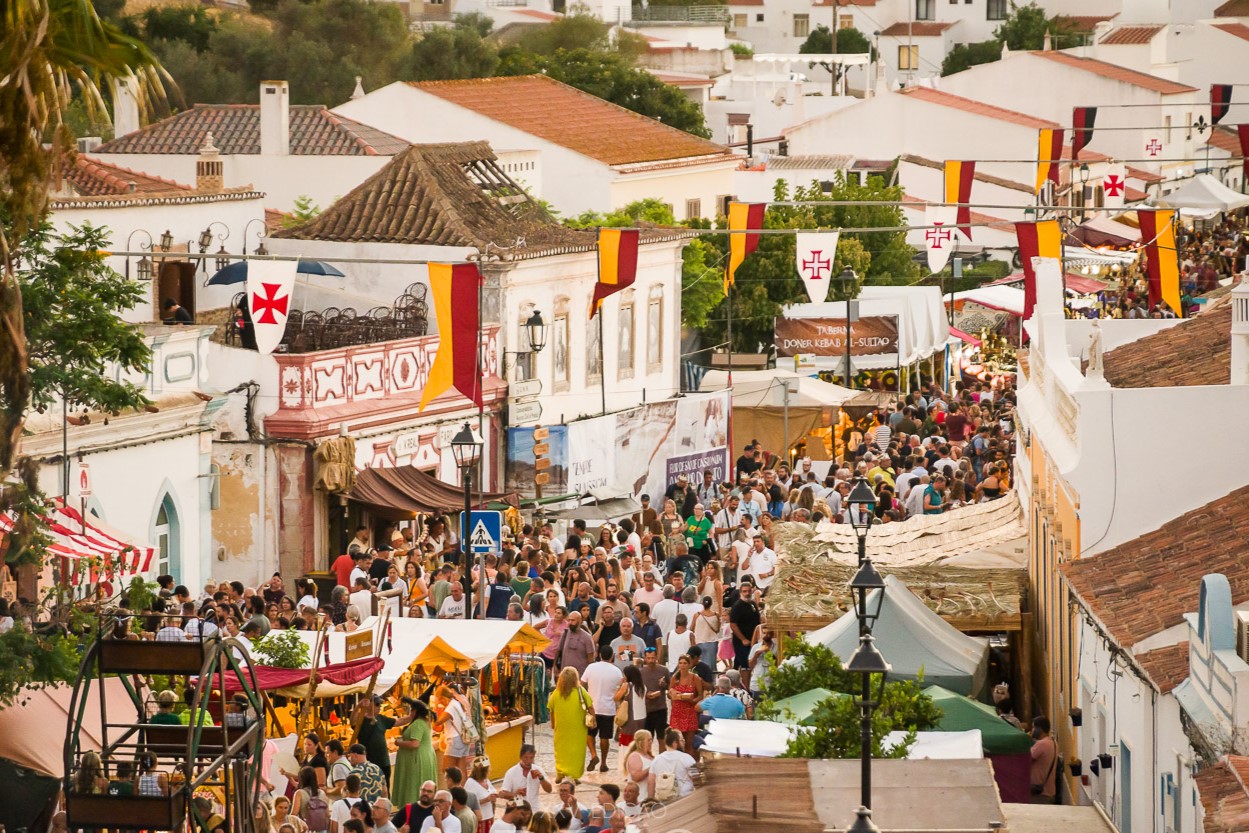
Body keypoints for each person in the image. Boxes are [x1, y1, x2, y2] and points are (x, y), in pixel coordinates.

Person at [581, 646, 623, 773]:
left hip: (591, 707)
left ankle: (594, 755)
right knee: (605, 737)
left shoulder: (591, 667)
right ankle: (603, 763)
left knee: (589, 734)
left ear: (599, 655)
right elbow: (620, 688)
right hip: (608, 709)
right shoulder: (617, 671)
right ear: (612, 656)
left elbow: (582, 684)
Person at [547, 667, 592, 782]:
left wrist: (553, 724)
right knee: (576, 753)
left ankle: (560, 773)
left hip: (561, 729)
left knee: (560, 751)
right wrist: (593, 719)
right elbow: (590, 706)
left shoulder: (556, 693)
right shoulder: (580, 691)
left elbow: (551, 709)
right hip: (578, 729)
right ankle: (574, 775)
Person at [392, 699, 437, 809]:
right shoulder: (425, 722)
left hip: (417, 759)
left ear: (415, 711)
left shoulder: (418, 724)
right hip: (424, 756)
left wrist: (398, 743)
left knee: (413, 785)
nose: (410, 712)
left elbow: (414, 743)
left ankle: (412, 809)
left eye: (411, 710)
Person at [649, 729, 696, 801]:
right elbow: (696, 778)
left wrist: (650, 800)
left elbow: (651, 782)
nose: (684, 743)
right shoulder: (687, 758)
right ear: (674, 743)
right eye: (681, 740)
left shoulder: (656, 760)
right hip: (684, 799)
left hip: (664, 801)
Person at [729, 584, 761, 686]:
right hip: (742, 643)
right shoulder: (737, 606)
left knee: (750, 664)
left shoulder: (752, 604)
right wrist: (743, 639)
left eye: (749, 591)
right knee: (746, 666)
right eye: (744, 591)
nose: (747, 593)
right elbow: (733, 624)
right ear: (740, 592)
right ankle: (746, 689)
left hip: (753, 641)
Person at [638, 647, 671, 746]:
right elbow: (638, 690)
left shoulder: (664, 670)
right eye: (648, 658)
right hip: (646, 709)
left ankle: (662, 755)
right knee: (647, 739)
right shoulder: (641, 672)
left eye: (653, 658)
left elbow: (671, 687)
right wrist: (646, 695)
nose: (651, 661)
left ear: (656, 657)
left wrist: (664, 685)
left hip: (660, 708)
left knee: (662, 738)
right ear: (645, 658)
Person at [668, 654, 703, 739]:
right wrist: (673, 694)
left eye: (685, 663)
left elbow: (700, 695)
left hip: (689, 712)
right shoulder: (675, 678)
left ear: (689, 665)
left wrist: (693, 701)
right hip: (677, 713)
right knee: (677, 740)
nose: (682, 665)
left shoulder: (695, 678)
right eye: (680, 663)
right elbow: (669, 694)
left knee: (689, 742)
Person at [613, 664, 648, 746]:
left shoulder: (627, 685)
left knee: (627, 742)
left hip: (630, 718)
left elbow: (616, 698)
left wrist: (619, 685)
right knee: (638, 741)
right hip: (641, 718)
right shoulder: (643, 686)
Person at [293, 766, 331, 833]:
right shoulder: (322, 793)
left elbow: (294, 814)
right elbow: (327, 813)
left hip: (306, 828)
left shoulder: (299, 793)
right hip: (321, 828)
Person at [619, 729, 653, 803]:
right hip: (640, 797)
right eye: (648, 740)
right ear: (641, 742)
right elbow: (635, 777)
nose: (651, 742)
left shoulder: (649, 756)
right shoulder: (635, 756)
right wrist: (651, 768)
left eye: (651, 740)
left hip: (648, 796)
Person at [1029, 716, 1057, 804]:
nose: (1032, 730)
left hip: (1040, 792)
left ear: (1039, 729)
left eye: (1033, 727)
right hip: (1049, 790)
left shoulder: (1041, 744)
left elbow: (1026, 759)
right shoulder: (1053, 742)